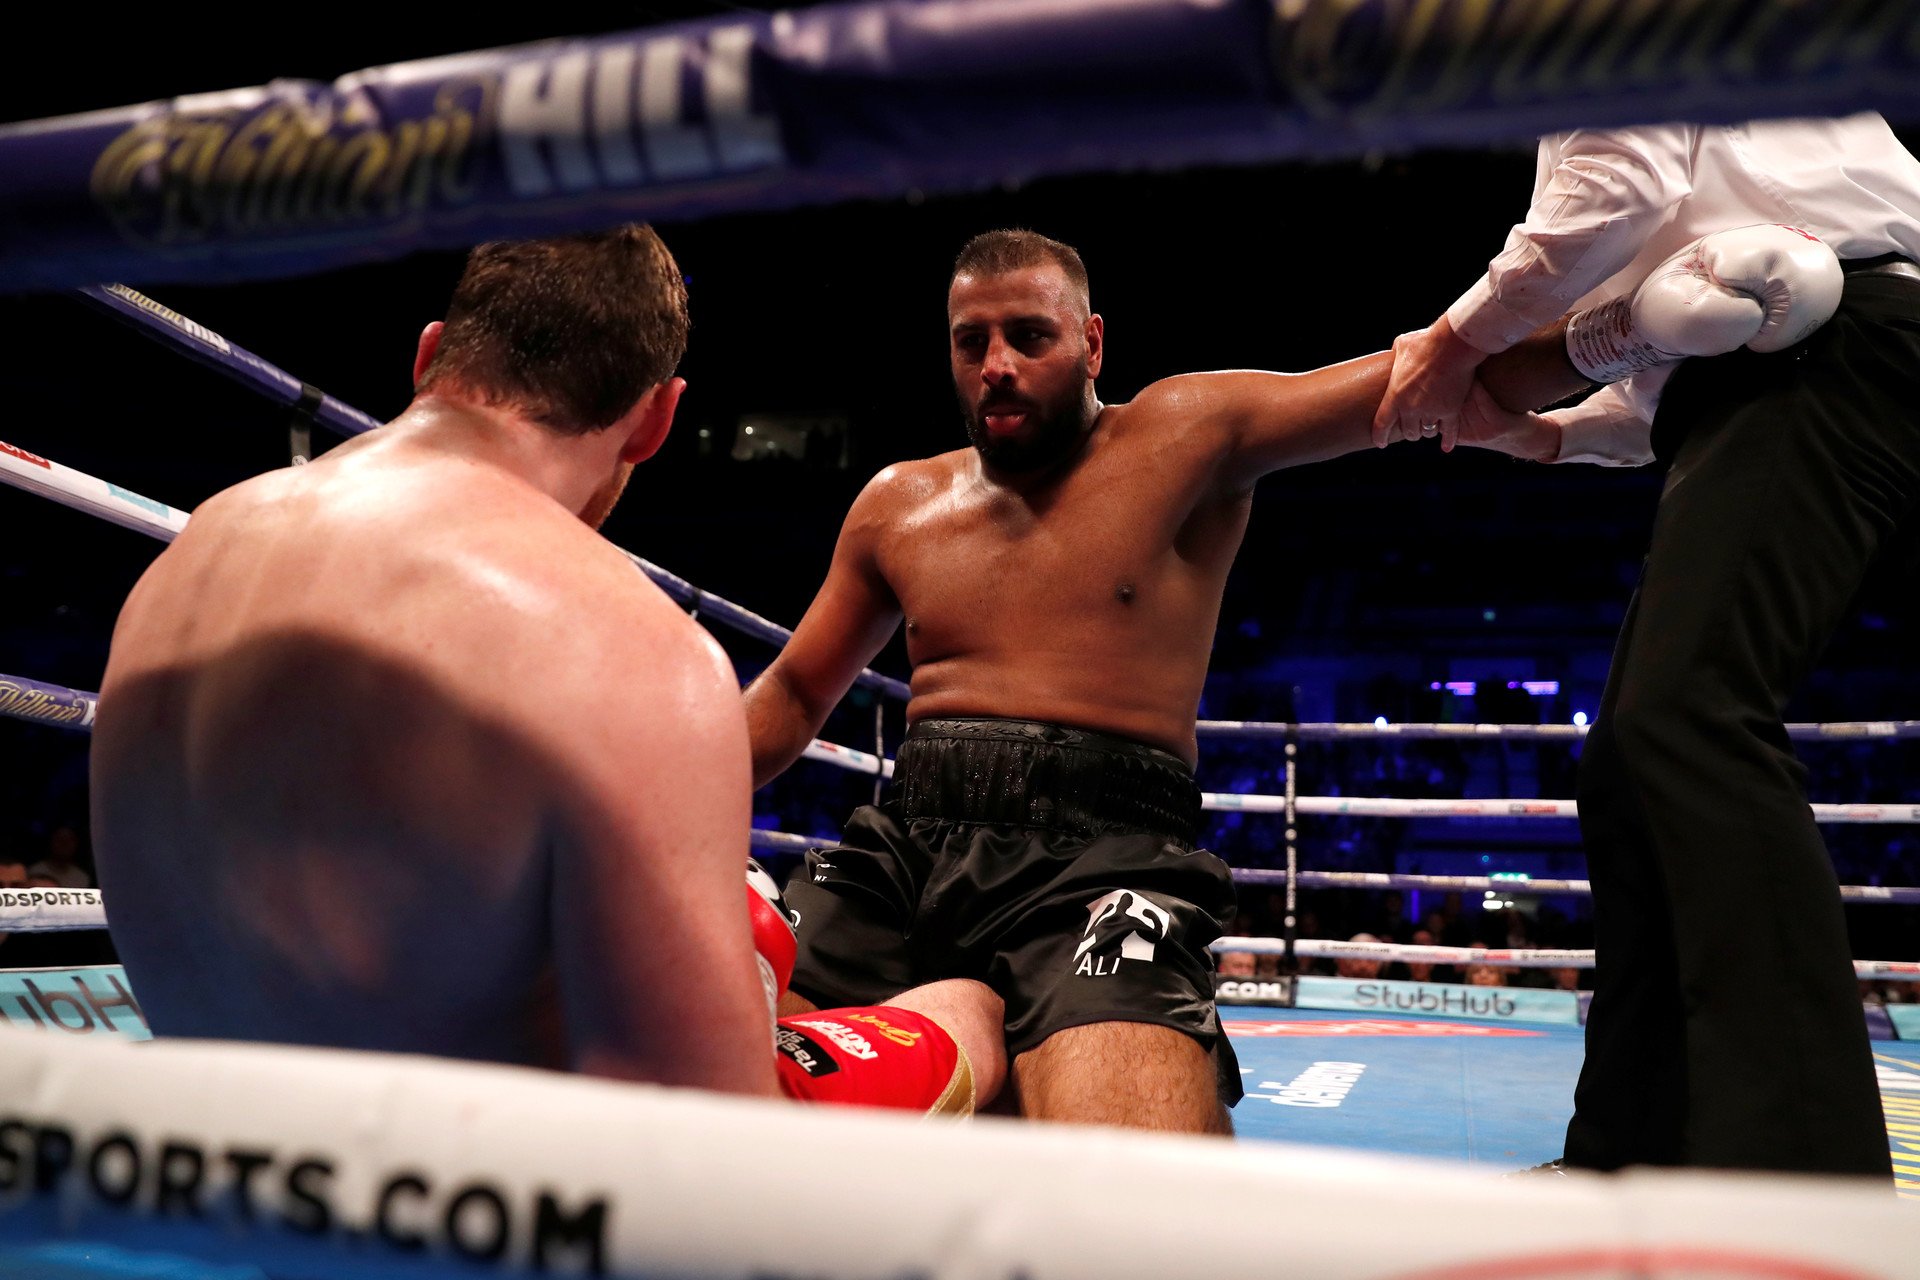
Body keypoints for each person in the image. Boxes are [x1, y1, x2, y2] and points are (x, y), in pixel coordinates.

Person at [741, 228, 1682, 1134]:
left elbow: (1428, 375)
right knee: (719, 1062)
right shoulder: (897, 503)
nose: (997, 366)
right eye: (970, 342)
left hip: (1100, 863)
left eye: (1028, 336)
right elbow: (792, 695)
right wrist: (670, 797)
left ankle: (1005, 1059)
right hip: (904, 851)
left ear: (1091, 343)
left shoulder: (1182, 434)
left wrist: (1632, 328)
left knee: (1118, 1162)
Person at [90, 226, 781, 1096]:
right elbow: (703, 1130)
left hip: (178, 1147)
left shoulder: (194, 547)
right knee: (936, 1020)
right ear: (656, 419)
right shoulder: (636, 648)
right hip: (447, 1176)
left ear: (428, 357)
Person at [1381, 116, 1920, 1179]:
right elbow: (1675, 364)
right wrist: (1545, 433)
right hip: (1782, 360)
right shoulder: (1715, 219)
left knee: (1689, 717)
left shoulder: (1597, 45)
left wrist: (1454, 342)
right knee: (1628, 764)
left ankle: (1803, 1177)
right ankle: (1631, 1153)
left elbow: (1618, 187)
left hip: (1840, 339)